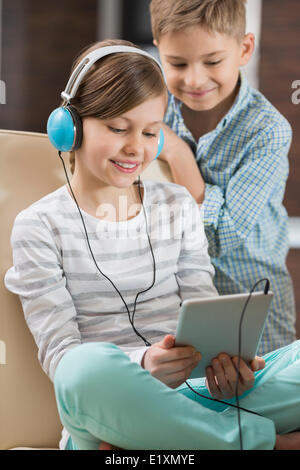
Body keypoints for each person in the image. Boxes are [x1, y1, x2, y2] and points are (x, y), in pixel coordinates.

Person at [4, 39, 300, 451]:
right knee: (83, 368)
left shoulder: (177, 204)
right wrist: (142, 365)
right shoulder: (38, 226)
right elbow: (61, 357)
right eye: (118, 128)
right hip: (112, 409)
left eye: (149, 132)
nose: (135, 148)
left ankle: (175, 438)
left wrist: (225, 363)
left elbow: (203, 306)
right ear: (70, 127)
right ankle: (267, 443)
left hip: (198, 397)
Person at [149, 0, 296, 356]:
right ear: (159, 51)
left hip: (250, 300)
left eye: (213, 61)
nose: (195, 79)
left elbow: (220, 236)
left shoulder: (268, 131)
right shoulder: (154, 109)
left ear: (244, 48)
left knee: (261, 398)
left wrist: (179, 154)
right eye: (177, 63)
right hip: (172, 296)